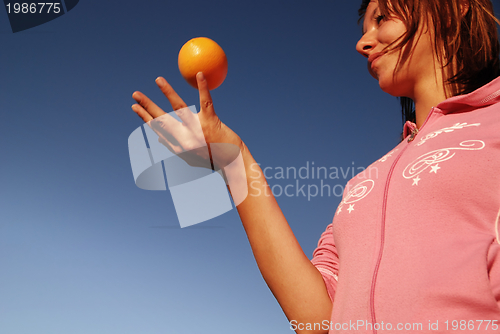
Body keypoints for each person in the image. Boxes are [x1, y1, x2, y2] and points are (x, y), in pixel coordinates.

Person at [131, 0, 500, 332]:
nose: (362, 43)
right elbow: (317, 320)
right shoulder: (362, 186)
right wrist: (232, 159)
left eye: (382, 18)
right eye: (364, 29)